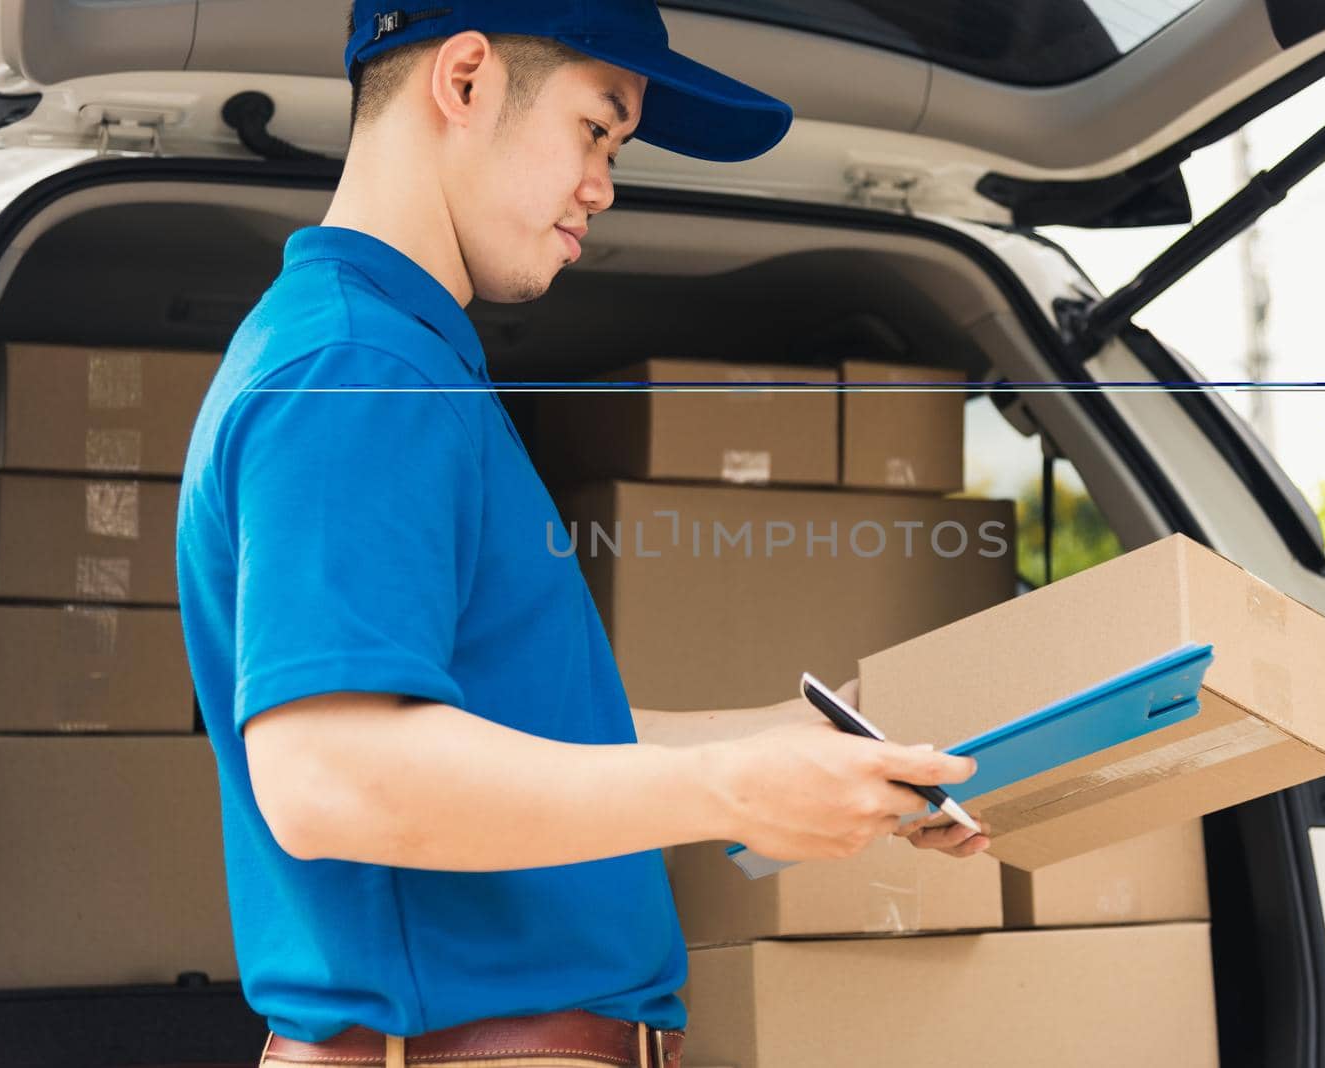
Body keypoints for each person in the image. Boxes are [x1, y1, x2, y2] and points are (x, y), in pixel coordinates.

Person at [175, 3, 991, 1067]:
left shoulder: (399, 357)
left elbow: (541, 729)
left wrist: (841, 747)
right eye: (596, 130)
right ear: (464, 81)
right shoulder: (356, 367)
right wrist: (733, 792)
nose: (605, 184)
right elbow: (331, 774)